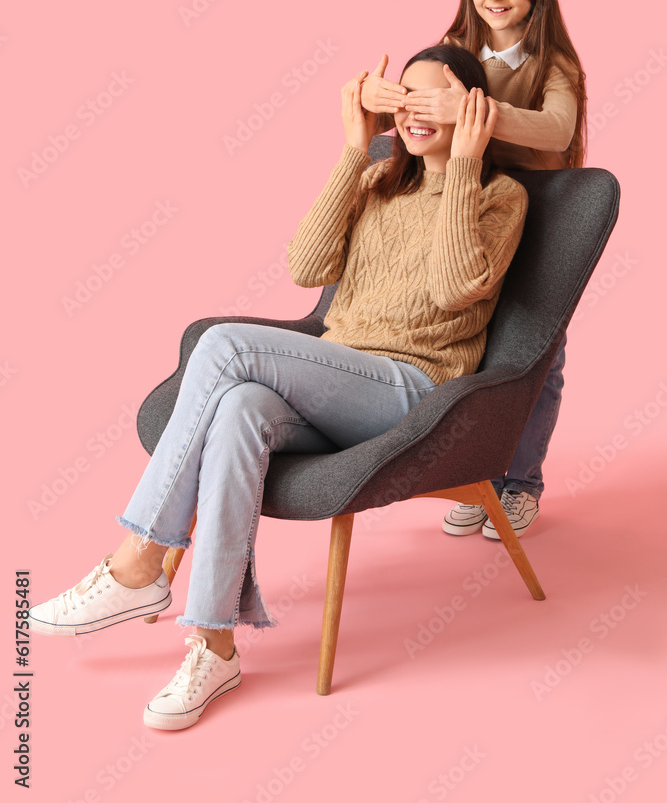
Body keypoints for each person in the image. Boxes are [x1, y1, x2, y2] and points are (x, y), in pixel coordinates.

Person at [28, 44, 527, 731]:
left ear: (471, 109)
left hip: (415, 391)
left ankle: (139, 562)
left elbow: (451, 291)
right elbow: (307, 264)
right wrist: (354, 150)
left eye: (437, 96)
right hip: (334, 379)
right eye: (404, 94)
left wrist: (465, 164)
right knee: (238, 406)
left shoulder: (500, 195)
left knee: (225, 344)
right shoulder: (379, 179)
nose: (415, 108)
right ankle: (214, 644)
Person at [360, 0, 587, 540]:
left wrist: (478, 114)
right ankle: (482, 478)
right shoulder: (456, 45)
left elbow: (557, 132)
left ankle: (522, 485)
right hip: (471, 203)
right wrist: (378, 98)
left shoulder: (553, 62)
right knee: (478, 343)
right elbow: (416, 109)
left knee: (538, 354)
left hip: (538, 214)